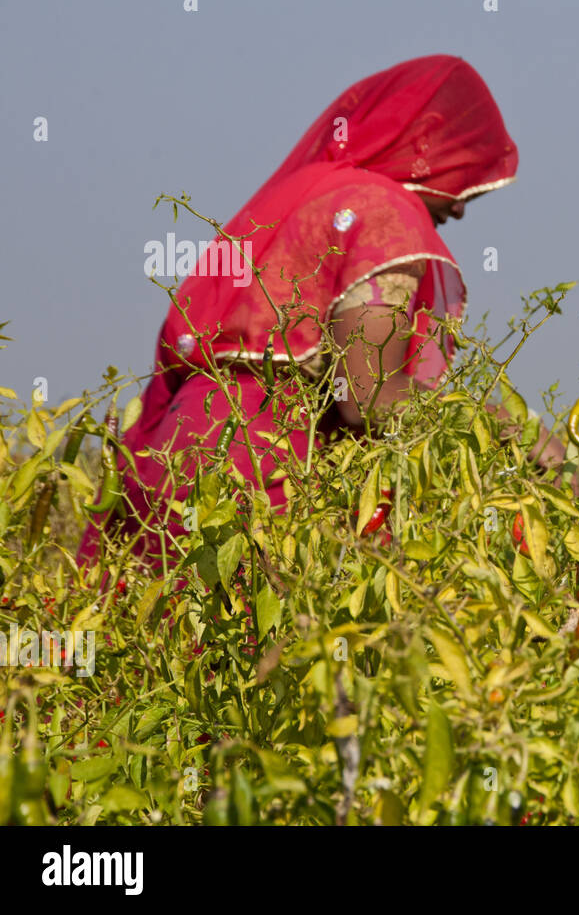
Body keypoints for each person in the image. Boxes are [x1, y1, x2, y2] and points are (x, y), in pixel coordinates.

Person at [77, 55, 554, 571]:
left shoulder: (311, 195)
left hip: (173, 459)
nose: (459, 206)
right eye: (461, 177)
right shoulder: (385, 213)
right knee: (270, 643)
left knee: (169, 643)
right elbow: (366, 396)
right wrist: (504, 431)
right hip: (258, 483)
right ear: (425, 145)